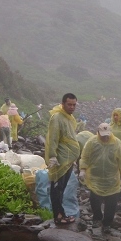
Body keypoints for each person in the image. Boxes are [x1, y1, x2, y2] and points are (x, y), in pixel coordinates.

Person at [79, 123, 121, 233]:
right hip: (95, 178)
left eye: (107, 135)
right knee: (94, 199)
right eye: (103, 135)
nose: (105, 137)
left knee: (111, 202)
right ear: (98, 133)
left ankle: (107, 222)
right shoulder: (92, 142)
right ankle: (97, 218)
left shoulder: (116, 143)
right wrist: (83, 169)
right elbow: (85, 156)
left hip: (111, 178)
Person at [45, 93, 80, 225]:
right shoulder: (57, 117)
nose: (72, 107)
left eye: (74, 105)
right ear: (63, 104)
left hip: (68, 160)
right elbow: (53, 137)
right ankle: (58, 216)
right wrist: (52, 156)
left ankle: (62, 213)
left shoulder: (68, 118)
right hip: (60, 159)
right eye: (69, 104)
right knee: (57, 188)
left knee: (62, 188)